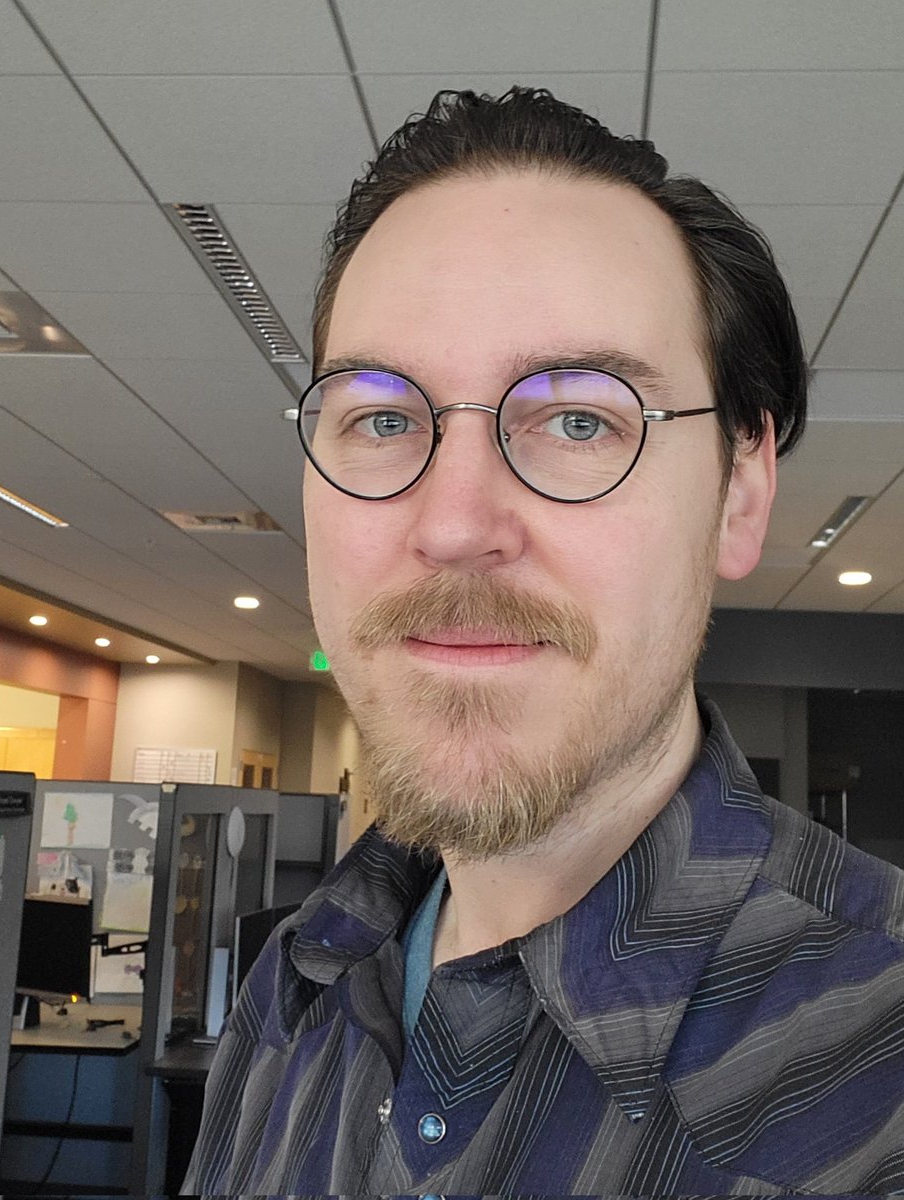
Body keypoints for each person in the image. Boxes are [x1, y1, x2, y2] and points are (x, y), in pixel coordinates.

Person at [184, 88, 904, 1195]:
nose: (457, 525)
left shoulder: (878, 1070)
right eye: (382, 416)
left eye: (581, 419)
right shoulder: (299, 980)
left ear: (739, 493)